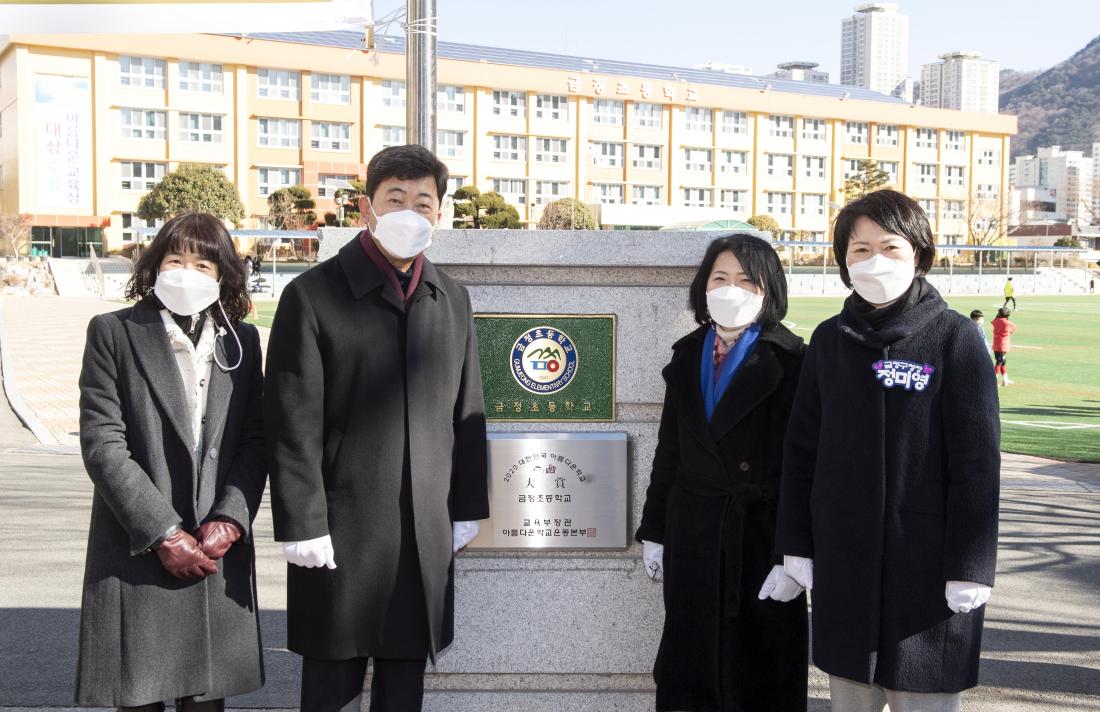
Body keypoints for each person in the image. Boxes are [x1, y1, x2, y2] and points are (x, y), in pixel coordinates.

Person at [265, 144, 489, 712]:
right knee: (331, 688)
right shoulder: (312, 296)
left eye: (424, 202)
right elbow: (292, 419)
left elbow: (468, 411)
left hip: (421, 532)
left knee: (403, 687)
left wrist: (465, 508)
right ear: (367, 208)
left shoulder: (451, 298)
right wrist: (302, 521)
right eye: (396, 199)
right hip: (340, 530)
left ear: (440, 214)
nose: (411, 212)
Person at [776, 190, 1000, 712]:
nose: (874, 260)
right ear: (843, 261)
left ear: (918, 253)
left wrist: (971, 563)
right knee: (850, 694)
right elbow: (800, 450)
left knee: (922, 695)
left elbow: (977, 463)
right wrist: (796, 543)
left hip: (926, 571)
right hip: (844, 560)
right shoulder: (830, 341)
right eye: (859, 249)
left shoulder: (956, 338)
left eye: (890, 246)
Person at [75, 212, 267, 710]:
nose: (187, 273)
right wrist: (164, 531)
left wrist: (231, 518)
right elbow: (103, 444)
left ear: (222, 274)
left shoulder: (240, 340)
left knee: (206, 700)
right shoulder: (114, 334)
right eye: (175, 259)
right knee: (138, 696)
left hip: (213, 550)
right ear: (154, 266)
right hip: (138, 544)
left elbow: (255, 437)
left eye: (203, 264)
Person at [636, 234, 808, 711]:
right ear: (704, 287)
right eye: (720, 278)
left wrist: (796, 552)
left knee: (757, 675)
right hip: (693, 532)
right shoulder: (687, 356)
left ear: (768, 290)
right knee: (690, 667)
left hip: (761, 539)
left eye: (747, 281)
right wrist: (655, 531)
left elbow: (803, 468)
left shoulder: (794, 361)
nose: (731, 289)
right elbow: (668, 452)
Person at [992, 307, 1017, 386]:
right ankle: (994, 381)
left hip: (996, 345)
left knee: (1002, 362)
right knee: (999, 362)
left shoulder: (996, 321)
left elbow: (993, 321)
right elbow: (1013, 329)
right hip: (1003, 345)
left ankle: (1005, 380)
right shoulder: (1008, 323)